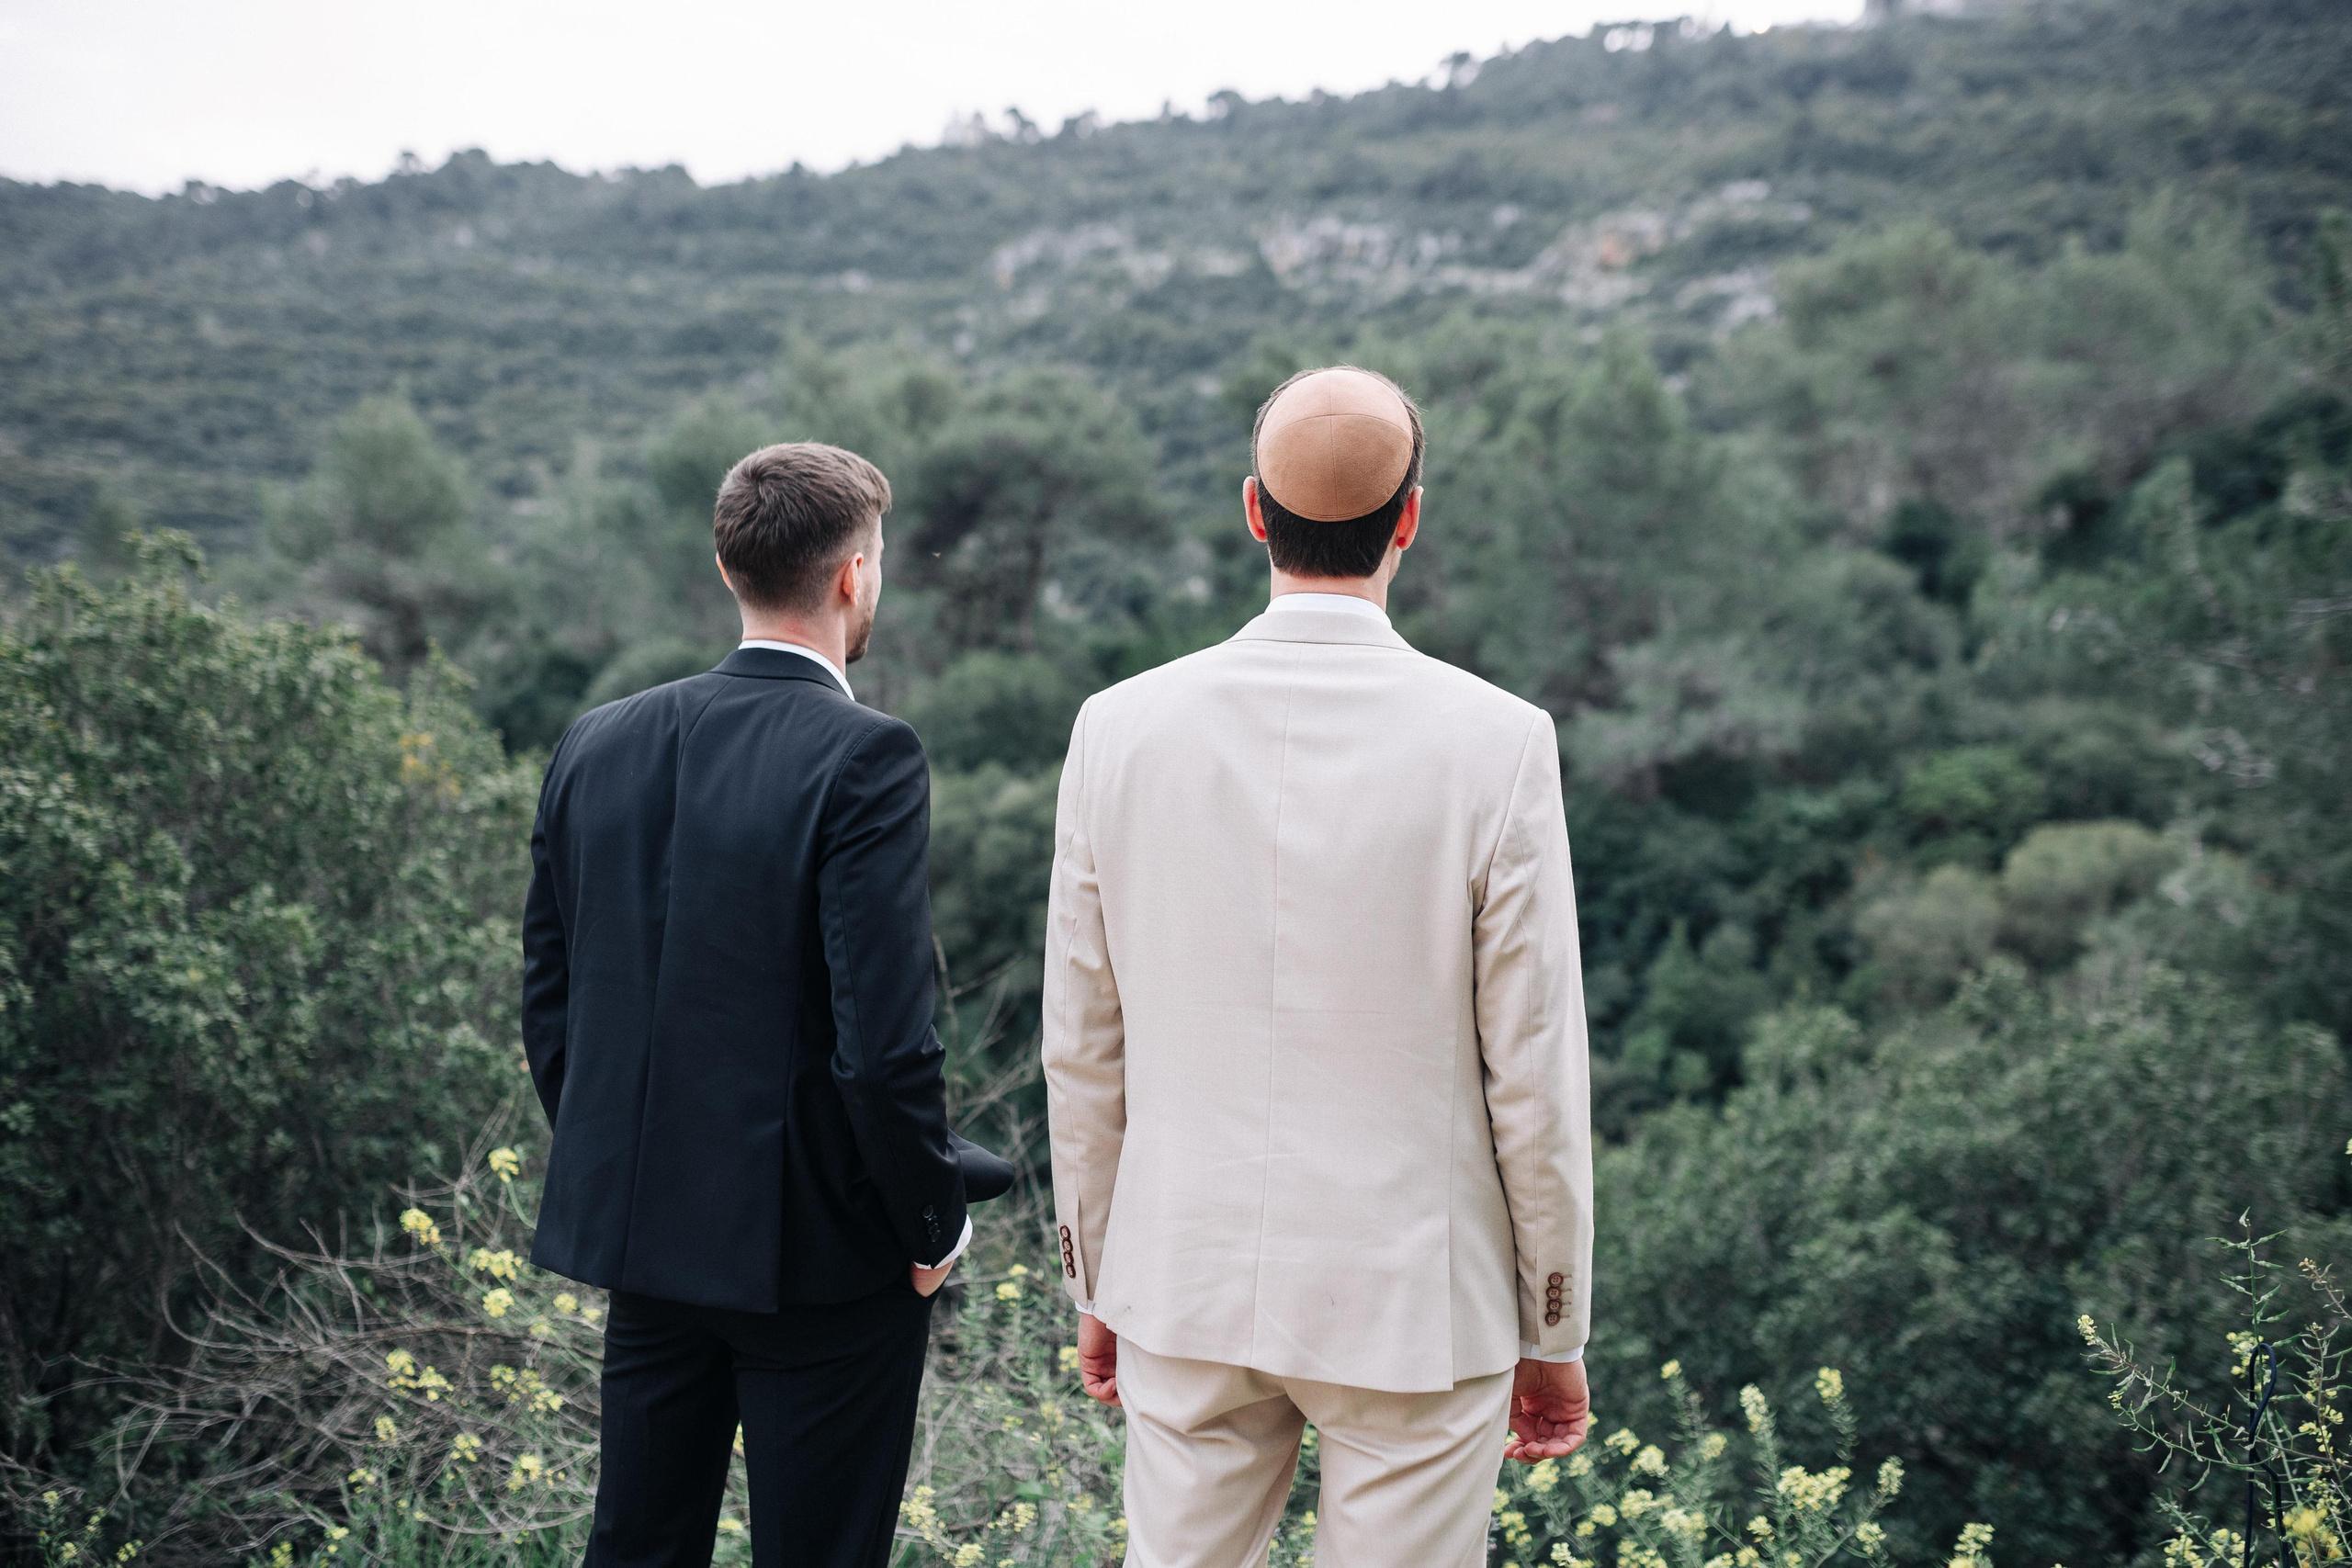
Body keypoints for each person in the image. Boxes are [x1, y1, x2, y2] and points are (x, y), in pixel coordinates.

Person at [1042, 367, 1595, 1566]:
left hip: (1181, 1274)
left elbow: (1083, 1042)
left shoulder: (1116, 727)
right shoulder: (1500, 743)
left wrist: (1099, 1277)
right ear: (1409, 517)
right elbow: (1533, 1069)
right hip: (1418, 1295)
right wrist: (1554, 1316)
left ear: (1254, 511)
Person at [520, 441, 1011, 1568]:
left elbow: (553, 1009)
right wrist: (932, 1225)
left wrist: (639, 1173)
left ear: (726, 563)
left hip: (647, 1243)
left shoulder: (594, 743)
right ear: (850, 576)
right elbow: (883, 1051)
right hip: (825, 1265)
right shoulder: (867, 755)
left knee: (637, 1549)